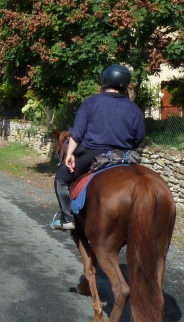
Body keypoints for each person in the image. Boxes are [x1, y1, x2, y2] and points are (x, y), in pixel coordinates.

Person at [52, 64, 145, 230]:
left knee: (61, 178)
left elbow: (78, 134)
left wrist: (70, 154)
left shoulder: (91, 102)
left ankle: (67, 218)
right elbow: (138, 138)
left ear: (105, 81)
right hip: (124, 155)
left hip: (93, 154)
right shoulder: (134, 108)